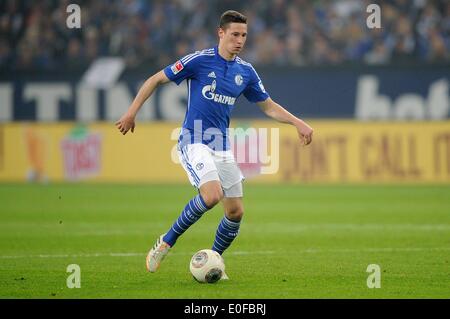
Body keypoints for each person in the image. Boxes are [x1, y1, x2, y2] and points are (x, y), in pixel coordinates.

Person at [115, 10, 313, 276]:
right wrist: (131, 112)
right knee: (211, 195)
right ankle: (166, 241)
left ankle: (213, 260)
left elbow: (268, 107)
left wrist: (297, 122)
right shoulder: (199, 61)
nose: (240, 40)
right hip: (193, 139)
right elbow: (155, 79)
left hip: (221, 146)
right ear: (221, 33)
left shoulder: (246, 71)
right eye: (234, 34)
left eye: (244, 35)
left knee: (235, 212)